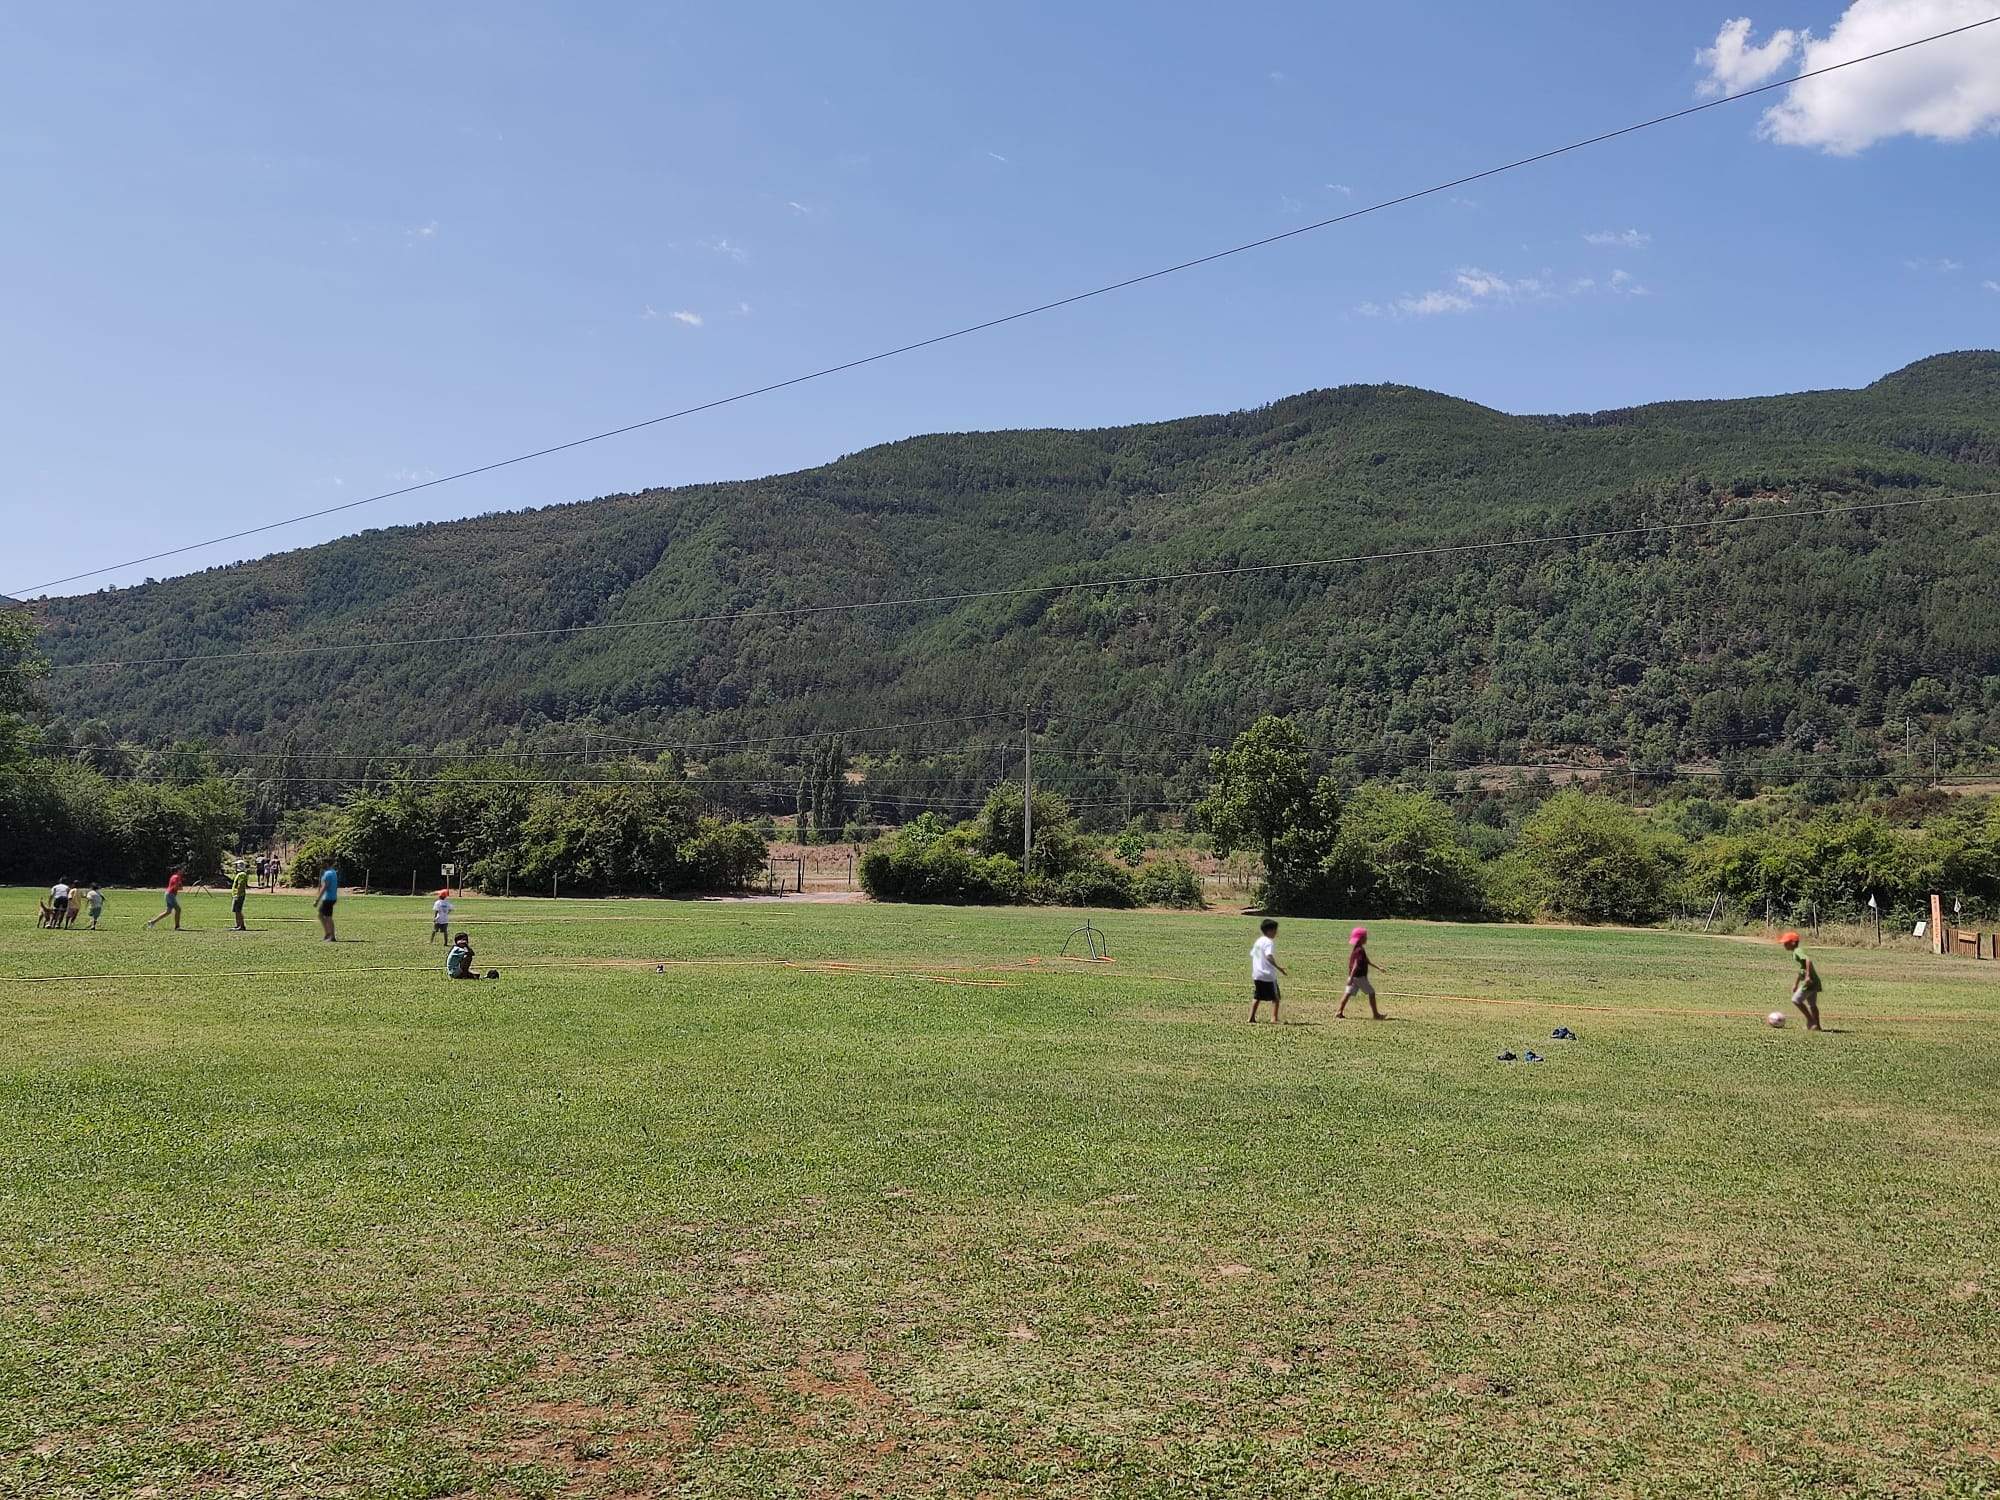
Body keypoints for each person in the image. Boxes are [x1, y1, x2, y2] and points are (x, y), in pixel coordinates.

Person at [1337, 925, 1386, 1019]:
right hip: (1359, 977)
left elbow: (1367, 961)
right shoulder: (1360, 950)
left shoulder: (1357, 949)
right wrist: (1351, 977)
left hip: (1354, 977)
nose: (1366, 938)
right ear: (1361, 939)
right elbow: (1356, 964)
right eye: (1365, 937)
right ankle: (1376, 1014)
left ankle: (1339, 1011)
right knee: (1371, 993)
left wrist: (1378, 968)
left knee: (1347, 994)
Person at [1780, 931, 1824, 1032]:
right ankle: (1817, 1026)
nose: (1784, 945)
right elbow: (1802, 969)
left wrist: (1808, 976)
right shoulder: (1797, 951)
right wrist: (1796, 983)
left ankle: (1811, 1021)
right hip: (1814, 982)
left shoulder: (1797, 951)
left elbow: (1808, 960)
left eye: (1786, 943)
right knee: (1812, 1005)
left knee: (1796, 1000)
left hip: (1810, 982)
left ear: (1793, 943)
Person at [1249, 917, 1287, 1023]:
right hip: (1267, 975)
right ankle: (1274, 1018)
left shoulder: (1258, 941)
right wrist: (1279, 968)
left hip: (1257, 974)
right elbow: (1269, 956)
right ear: (1269, 931)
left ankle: (1251, 1017)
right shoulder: (1269, 942)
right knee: (1276, 998)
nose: (1276, 933)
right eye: (1275, 930)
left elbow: (1254, 955)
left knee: (1257, 996)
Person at [317, 865, 339, 942]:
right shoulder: (333, 872)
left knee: (328, 917)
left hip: (328, 898)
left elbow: (325, 887)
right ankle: (327, 934)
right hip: (332, 897)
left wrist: (317, 899)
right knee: (321, 915)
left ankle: (332, 936)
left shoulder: (328, 873)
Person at [230, 863, 251, 931]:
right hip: (237, 895)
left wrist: (238, 894)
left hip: (239, 895)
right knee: (236, 910)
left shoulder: (241, 874)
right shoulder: (240, 874)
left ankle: (241, 925)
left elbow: (240, 885)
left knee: (238, 910)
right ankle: (238, 925)